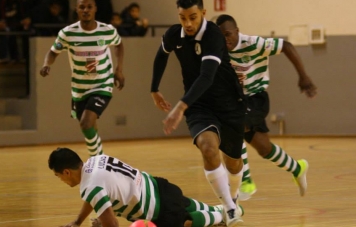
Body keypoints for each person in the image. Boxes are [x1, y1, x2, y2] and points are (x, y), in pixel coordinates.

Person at [150, 1, 246, 226]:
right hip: (199, 106)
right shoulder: (175, 34)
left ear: (203, 13)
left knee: (233, 163)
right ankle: (230, 209)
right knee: (208, 147)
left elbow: (207, 76)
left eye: (193, 17)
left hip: (229, 104)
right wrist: (154, 89)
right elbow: (161, 55)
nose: (188, 23)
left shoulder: (213, 35)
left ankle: (235, 198)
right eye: (183, 18)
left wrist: (179, 108)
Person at [216, 14, 317, 200]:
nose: (225, 39)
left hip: (256, 98)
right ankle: (298, 168)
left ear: (237, 32)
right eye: (220, 36)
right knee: (263, 148)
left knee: (236, 126)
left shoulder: (253, 43)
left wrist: (303, 76)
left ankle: (245, 181)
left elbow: (287, 46)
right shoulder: (219, 50)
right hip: (238, 100)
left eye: (228, 34)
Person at [48, 147, 244, 227]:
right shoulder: (95, 160)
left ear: (66, 172)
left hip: (160, 212)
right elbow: (96, 197)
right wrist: (77, 221)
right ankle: (231, 207)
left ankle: (225, 214)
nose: (61, 181)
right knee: (187, 204)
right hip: (160, 186)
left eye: (58, 177)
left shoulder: (90, 186)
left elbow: (112, 224)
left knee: (188, 222)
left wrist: (102, 223)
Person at [40, 0, 125, 157]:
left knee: (86, 123)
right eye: (82, 7)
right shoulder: (68, 33)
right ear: (77, 10)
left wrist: (118, 69)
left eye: (89, 7)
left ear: (95, 9)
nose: (86, 10)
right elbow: (53, 52)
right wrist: (47, 64)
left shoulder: (106, 30)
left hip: (102, 84)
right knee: (90, 126)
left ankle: (97, 162)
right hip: (79, 89)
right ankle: (100, 157)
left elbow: (118, 44)